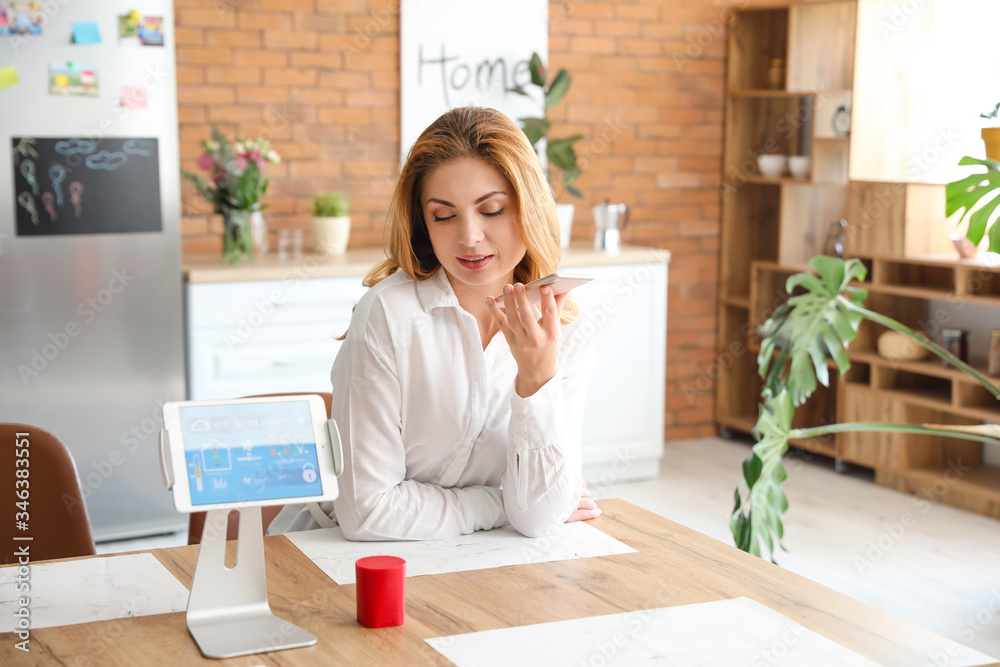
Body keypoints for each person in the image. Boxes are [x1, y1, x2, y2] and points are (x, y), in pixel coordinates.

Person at [268, 106, 599, 540]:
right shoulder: (388, 314)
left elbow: (538, 518)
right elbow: (368, 513)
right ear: (423, 223)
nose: (469, 237)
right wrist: (501, 504)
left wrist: (537, 378)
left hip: (469, 558)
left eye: (493, 209)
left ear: (528, 207)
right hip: (329, 554)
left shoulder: (565, 329)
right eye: (444, 216)